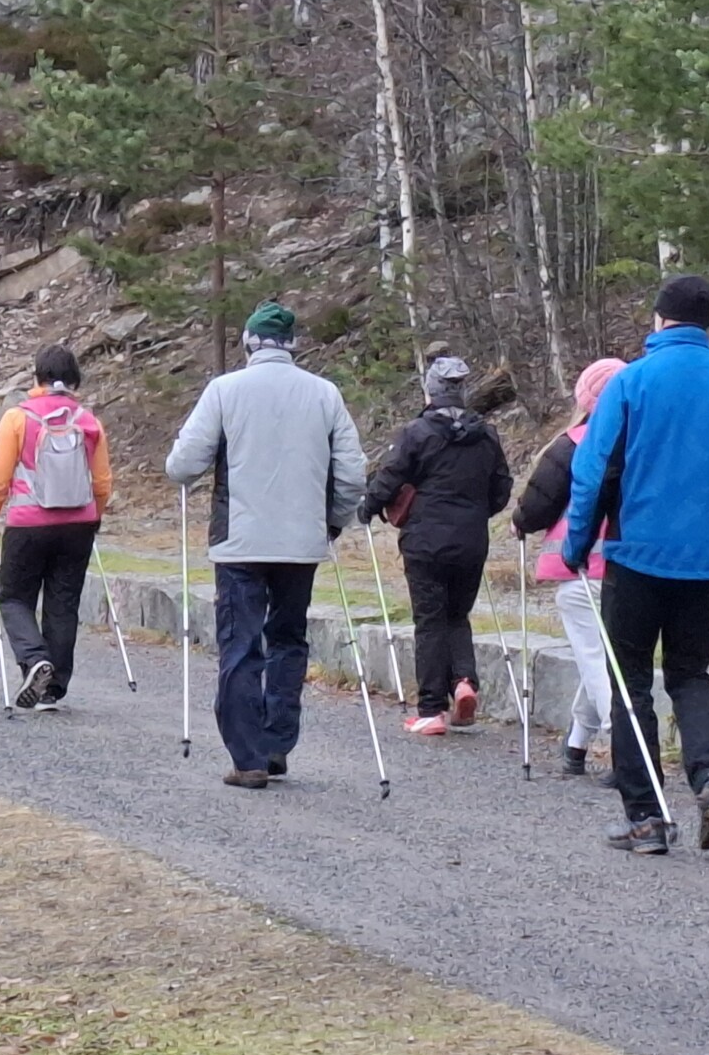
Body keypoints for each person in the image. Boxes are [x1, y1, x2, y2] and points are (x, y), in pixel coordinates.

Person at [562, 276, 709, 855]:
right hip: (708, 560)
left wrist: (577, 543)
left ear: (659, 320)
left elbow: (594, 472)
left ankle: (647, 817)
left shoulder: (632, 382)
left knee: (631, 679)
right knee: (690, 674)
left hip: (636, 555)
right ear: (706, 324)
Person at [166, 302, 366, 790]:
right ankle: (277, 741)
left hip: (239, 543)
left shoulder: (224, 391)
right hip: (301, 542)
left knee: (240, 643)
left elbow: (182, 465)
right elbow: (352, 474)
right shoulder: (325, 394)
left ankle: (248, 757)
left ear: (249, 343)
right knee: (288, 639)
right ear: (294, 344)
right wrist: (332, 522)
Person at [358, 356, 512, 738]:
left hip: (426, 540)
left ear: (430, 391)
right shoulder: (487, 435)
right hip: (472, 539)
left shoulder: (417, 433)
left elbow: (390, 476)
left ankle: (431, 709)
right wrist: (477, 513)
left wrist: (368, 507)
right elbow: (502, 489)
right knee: (457, 615)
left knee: (429, 620)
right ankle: (463, 681)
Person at [0, 344, 113, 710]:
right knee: (63, 603)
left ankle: (35, 658)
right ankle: (52, 689)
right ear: (75, 380)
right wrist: (94, 515)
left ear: (36, 377)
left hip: (28, 525)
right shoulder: (88, 421)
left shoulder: (17, 418)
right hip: (79, 526)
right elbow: (102, 482)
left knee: (14, 597)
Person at [511, 357, 625, 777]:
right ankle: (577, 742)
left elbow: (540, 503)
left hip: (581, 569)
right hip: (629, 568)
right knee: (602, 657)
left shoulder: (574, 443)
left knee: (595, 659)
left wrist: (519, 522)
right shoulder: (641, 442)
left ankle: (623, 745)